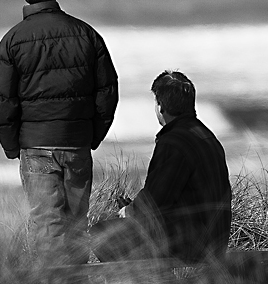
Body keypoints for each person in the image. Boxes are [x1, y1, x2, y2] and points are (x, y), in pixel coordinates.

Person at [0, 0, 119, 265]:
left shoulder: (12, 40)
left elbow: (0, 99)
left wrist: (12, 145)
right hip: (76, 143)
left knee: (47, 227)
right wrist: (92, 135)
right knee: (75, 228)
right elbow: (107, 92)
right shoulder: (87, 34)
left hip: (35, 146)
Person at [93, 70, 231, 264]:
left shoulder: (174, 142)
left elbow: (156, 202)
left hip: (188, 246)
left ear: (160, 106)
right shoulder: (206, 136)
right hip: (215, 241)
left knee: (101, 234)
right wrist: (135, 207)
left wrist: (130, 211)